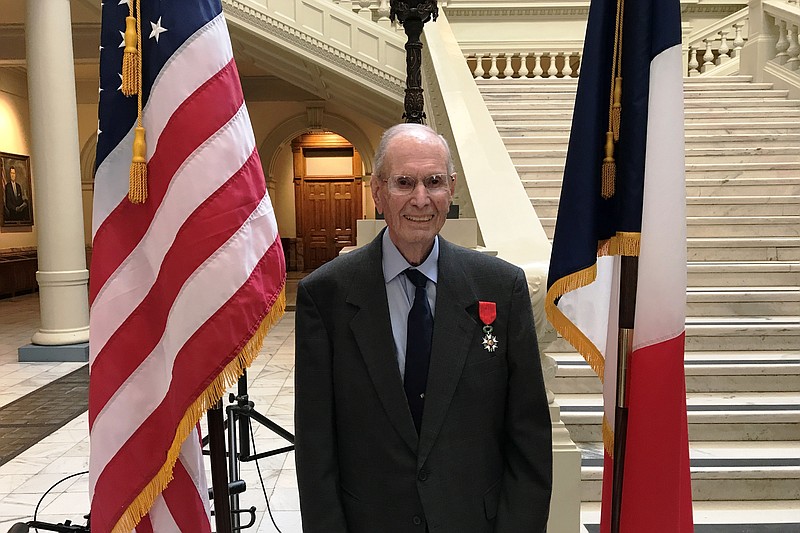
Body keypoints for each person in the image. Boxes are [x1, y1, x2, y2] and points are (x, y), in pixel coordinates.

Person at [294, 123, 552, 533]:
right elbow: (315, 449)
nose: (420, 199)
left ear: (451, 188)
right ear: (377, 191)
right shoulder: (325, 296)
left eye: (433, 182)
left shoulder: (501, 288)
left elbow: (529, 437)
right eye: (404, 182)